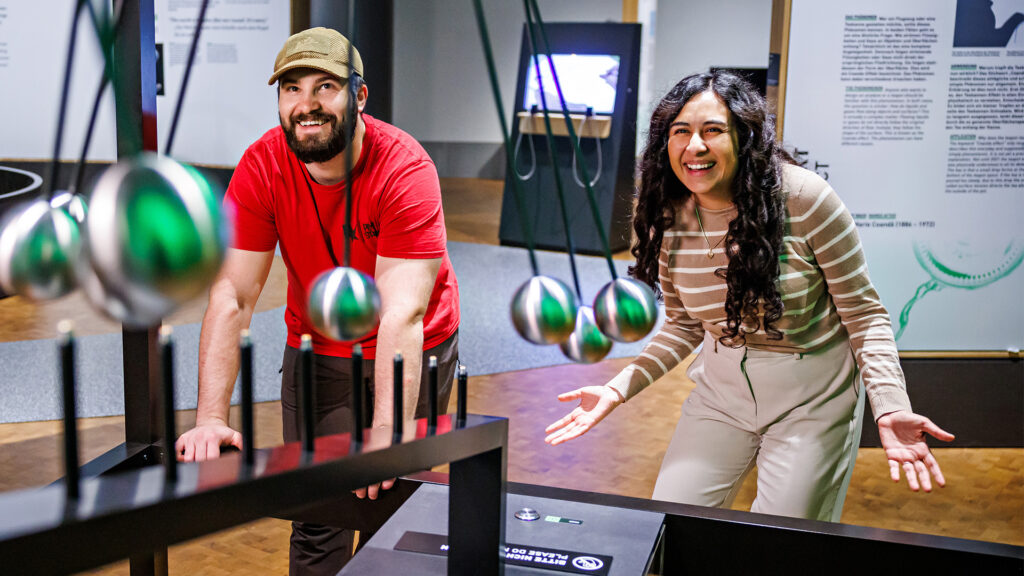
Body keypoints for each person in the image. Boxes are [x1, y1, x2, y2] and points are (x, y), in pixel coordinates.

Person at [544, 70, 954, 522]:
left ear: (746, 138)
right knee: (671, 523)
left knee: (778, 543)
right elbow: (684, 326)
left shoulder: (804, 198)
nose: (694, 147)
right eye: (680, 132)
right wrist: (617, 389)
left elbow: (864, 314)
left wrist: (890, 406)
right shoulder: (669, 213)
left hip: (812, 399)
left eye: (713, 131)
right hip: (721, 394)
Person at [174, 27, 460, 574]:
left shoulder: (405, 169)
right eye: (291, 88)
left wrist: (386, 435)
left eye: (325, 86)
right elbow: (233, 292)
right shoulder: (262, 164)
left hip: (412, 344)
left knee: (397, 509)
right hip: (318, 347)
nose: (306, 105)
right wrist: (210, 418)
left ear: (359, 96)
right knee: (318, 514)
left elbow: (404, 312)